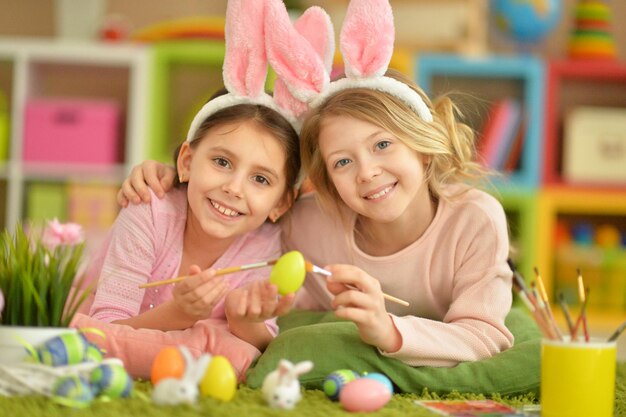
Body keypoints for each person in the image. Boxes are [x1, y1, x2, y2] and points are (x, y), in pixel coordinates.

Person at [117, 0, 514, 367]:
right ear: (326, 179)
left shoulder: (474, 219)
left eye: (383, 145)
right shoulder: (307, 222)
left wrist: (386, 328)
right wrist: (170, 179)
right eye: (343, 161)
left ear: (423, 148)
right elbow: (246, 203)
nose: (367, 172)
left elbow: (485, 334)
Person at [70, 0, 303, 380]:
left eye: (260, 179)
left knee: (233, 347)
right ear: (186, 163)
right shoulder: (148, 210)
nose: (233, 188)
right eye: (222, 162)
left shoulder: (266, 245)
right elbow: (106, 327)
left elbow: (260, 341)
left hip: (168, 346)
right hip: (104, 323)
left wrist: (246, 321)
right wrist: (179, 316)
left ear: (281, 202)